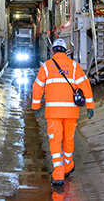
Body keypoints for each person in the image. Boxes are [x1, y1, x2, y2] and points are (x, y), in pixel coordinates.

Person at [31, 38, 95, 186]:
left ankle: (58, 173)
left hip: (53, 113)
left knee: (54, 142)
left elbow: (37, 87)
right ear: (66, 51)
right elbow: (85, 86)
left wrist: (36, 108)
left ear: (53, 51)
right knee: (68, 140)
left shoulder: (46, 67)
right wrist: (90, 106)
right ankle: (68, 166)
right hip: (71, 112)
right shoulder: (74, 66)